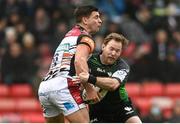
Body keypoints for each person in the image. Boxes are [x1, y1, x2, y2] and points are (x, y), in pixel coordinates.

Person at [38, 5, 102, 123]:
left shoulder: (69, 35)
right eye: (96, 17)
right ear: (85, 20)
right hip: (63, 86)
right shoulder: (85, 37)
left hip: (45, 88)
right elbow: (79, 61)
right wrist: (89, 89)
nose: (100, 20)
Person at [79, 33, 142, 123]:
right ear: (103, 46)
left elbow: (113, 85)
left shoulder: (123, 66)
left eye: (117, 51)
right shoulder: (90, 60)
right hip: (97, 110)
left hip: (120, 106)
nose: (113, 53)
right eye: (111, 49)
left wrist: (90, 78)